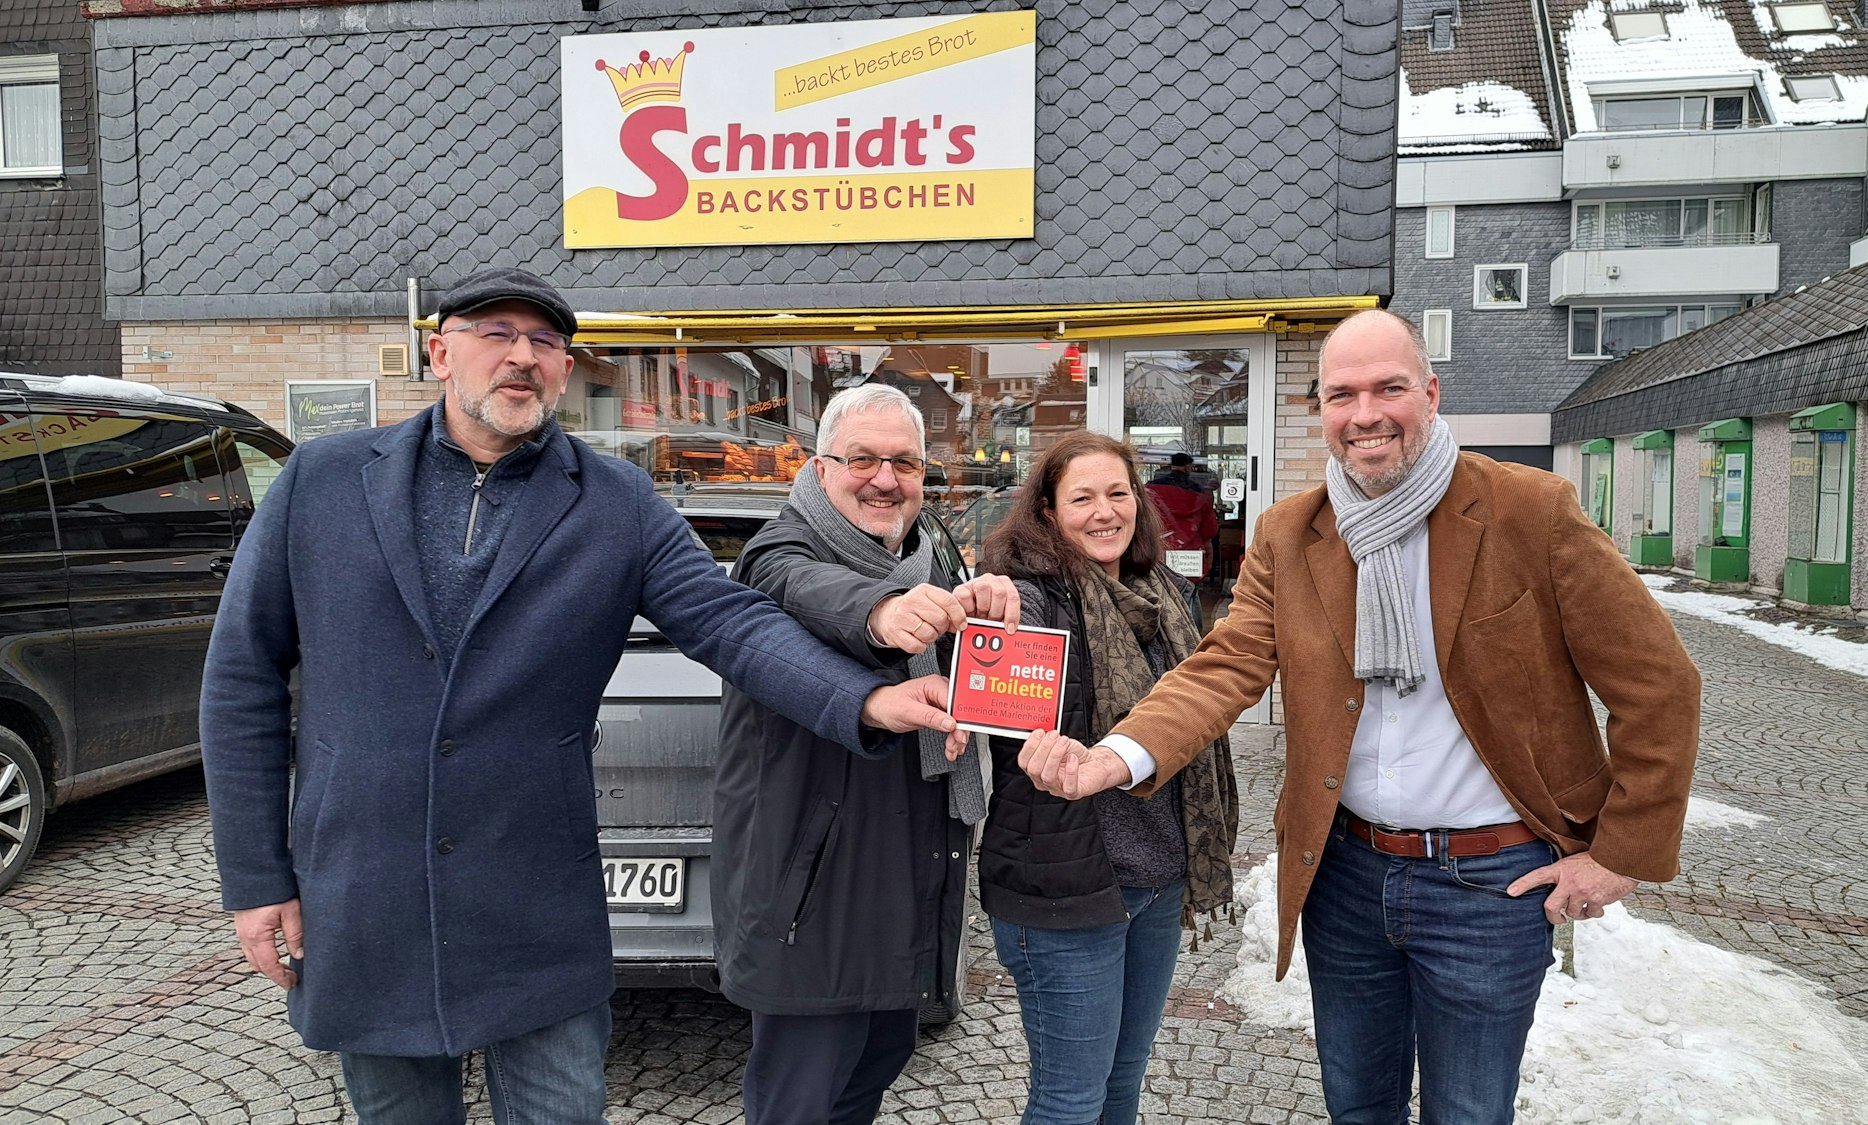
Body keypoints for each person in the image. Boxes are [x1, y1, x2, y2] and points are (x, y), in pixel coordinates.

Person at [199, 268, 964, 1125]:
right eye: (497, 334)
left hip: (537, 904)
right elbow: (241, 678)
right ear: (440, 350)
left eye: (545, 343)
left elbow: (732, 623)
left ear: (565, 369)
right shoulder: (323, 481)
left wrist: (866, 702)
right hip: (366, 896)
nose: (521, 357)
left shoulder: (615, 503)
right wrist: (257, 876)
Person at [1017, 308, 1701, 1123]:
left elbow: (1659, 685)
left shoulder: (1531, 510)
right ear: (1322, 410)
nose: (1366, 412)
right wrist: (1115, 755)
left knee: (1471, 1112)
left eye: (1389, 388)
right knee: (1358, 1108)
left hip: (1489, 880)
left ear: (1432, 393)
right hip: (1346, 876)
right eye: (1343, 393)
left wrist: (1618, 854)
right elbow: (1225, 665)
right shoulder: (1291, 531)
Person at [712, 384, 1020, 1125]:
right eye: (863, 459)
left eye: (905, 462)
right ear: (821, 468)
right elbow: (812, 591)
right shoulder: (776, 553)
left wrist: (983, 609)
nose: (885, 478)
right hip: (810, 894)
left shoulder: (925, 560)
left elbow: (963, 687)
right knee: (799, 1101)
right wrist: (883, 613)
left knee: (875, 1067)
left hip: (902, 881)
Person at [977, 432, 1237, 1125]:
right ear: (1048, 511)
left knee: (1123, 1081)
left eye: (1117, 493)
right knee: (1069, 1099)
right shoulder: (1033, 598)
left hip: (1159, 876)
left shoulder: (1169, 596)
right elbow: (993, 676)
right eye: (1082, 497)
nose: (1103, 511)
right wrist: (979, 610)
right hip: (1068, 886)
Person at [1144, 451, 1219, 578]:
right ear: (1188, 467)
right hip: (1191, 557)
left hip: (1159, 550)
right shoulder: (1199, 493)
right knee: (1188, 593)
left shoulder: (1151, 489)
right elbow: (1209, 530)